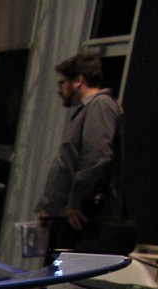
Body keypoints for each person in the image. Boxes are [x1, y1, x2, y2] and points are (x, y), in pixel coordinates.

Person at [35, 52, 127, 263]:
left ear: (78, 80)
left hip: (81, 218)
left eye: (62, 82)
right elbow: (68, 164)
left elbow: (97, 157)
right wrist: (50, 207)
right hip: (66, 213)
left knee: (62, 275)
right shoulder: (90, 109)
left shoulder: (101, 106)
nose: (59, 90)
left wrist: (75, 202)